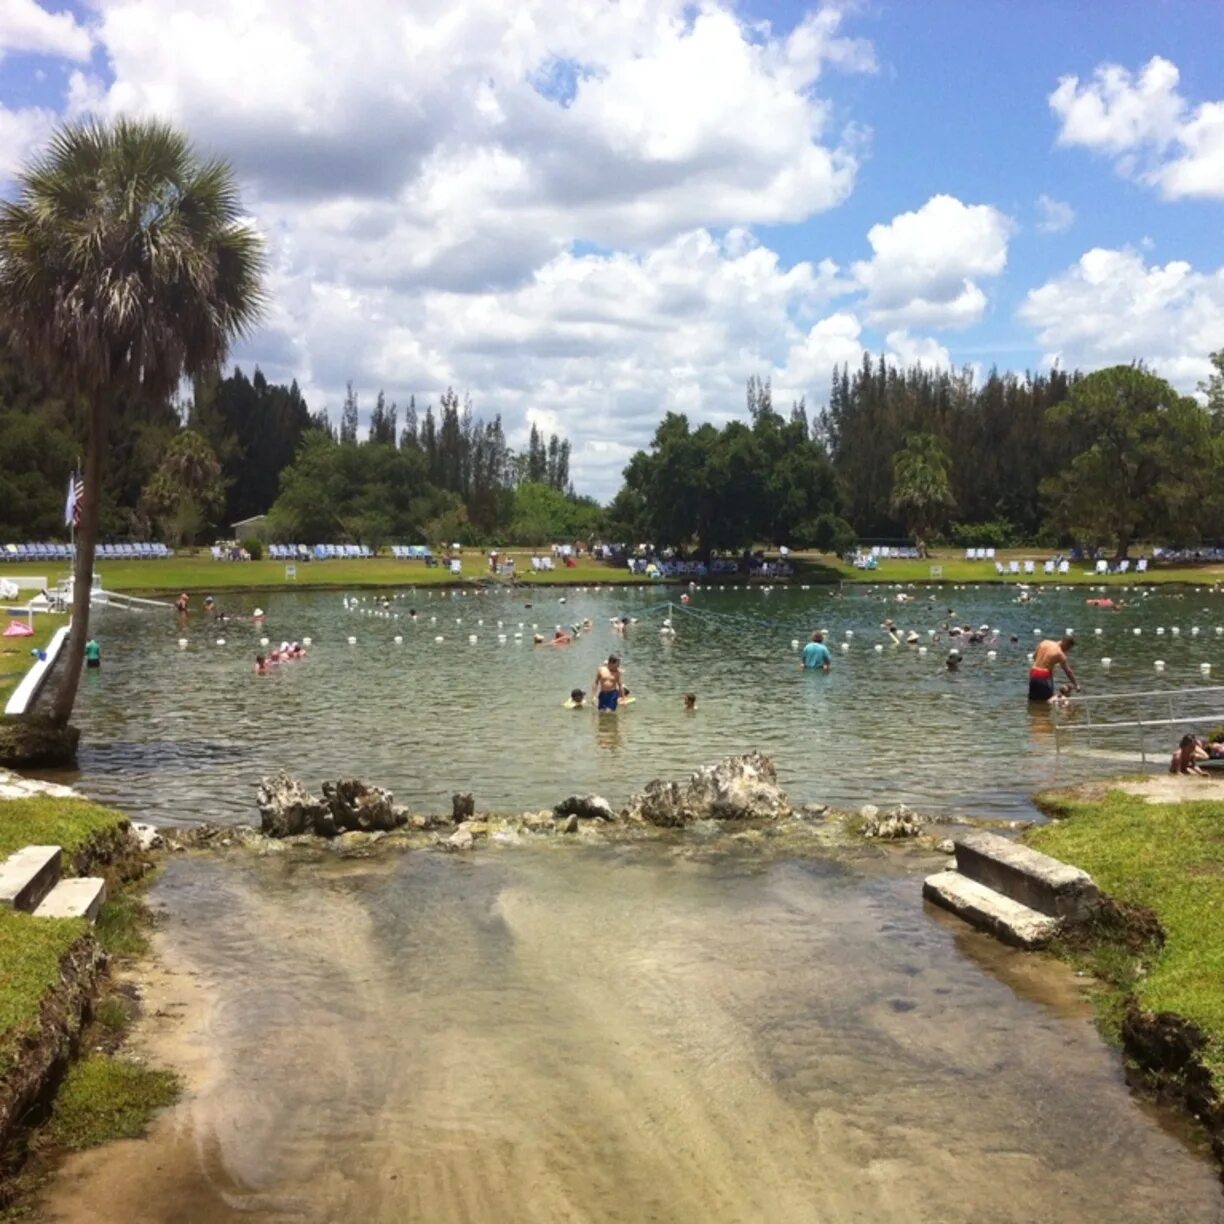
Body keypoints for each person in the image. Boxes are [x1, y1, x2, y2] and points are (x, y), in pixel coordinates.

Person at [1030, 635, 1079, 702]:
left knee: (1033, 701)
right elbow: (1068, 671)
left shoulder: (1044, 642)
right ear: (1066, 644)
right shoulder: (1060, 654)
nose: (1067, 651)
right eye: (1068, 648)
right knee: (1047, 702)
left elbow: (1034, 657)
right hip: (1044, 676)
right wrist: (1076, 684)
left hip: (1033, 673)